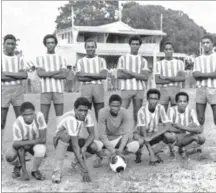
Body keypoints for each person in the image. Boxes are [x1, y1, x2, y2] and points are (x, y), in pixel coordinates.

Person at [52, 97, 99, 183]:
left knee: (95, 146)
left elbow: (92, 135)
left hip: (75, 138)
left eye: (85, 110)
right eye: (80, 110)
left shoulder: (87, 115)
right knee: (66, 136)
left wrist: (85, 146)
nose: (83, 113)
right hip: (60, 141)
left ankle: (76, 161)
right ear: (75, 109)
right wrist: (84, 169)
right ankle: (57, 171)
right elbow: (75, 145)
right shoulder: (70, 118)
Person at [93, 94, 140, 168]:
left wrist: (120, 149)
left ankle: (118, 155)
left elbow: (126, 133)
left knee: (135, 145)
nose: (115, 108)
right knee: (94, 146)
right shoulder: (102, 112)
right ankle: (101, 156)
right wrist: (112, 151)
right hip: (105, 139)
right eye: (113, 106)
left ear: (120, 106)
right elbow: (102, 135)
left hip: (118, 138)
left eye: (117, 106)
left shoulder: (124, 113)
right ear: (109, 105)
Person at [4, 102, 47, 181]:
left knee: (41, 150)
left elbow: (43, 139)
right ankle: (18, 165)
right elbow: (17, 145)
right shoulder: (17, 123)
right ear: (21, 115)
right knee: (9, 156)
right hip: (27, 144)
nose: (29, 117)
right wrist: (24, 172)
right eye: (26, 115)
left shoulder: (39, 116)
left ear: (34, 112)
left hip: (32, 144)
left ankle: (35, 170)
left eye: (31, 114)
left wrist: (26, 143)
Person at [1, 34, 29, 149]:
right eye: (8, 43)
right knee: (1, 120)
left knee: (20, 119)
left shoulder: (19, 59)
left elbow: (25, 75)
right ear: (4, 44)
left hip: (18, 90)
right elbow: (1, 77)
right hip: (4, 90)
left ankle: (21, 148)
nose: (10, 46)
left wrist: (7, 73)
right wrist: (17, 75)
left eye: (12, 44)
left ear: (15, 46)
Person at [133, 89, 174, 165]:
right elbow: (144, 135)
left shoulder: (160, 108)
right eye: (151, 98)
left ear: (158, 99)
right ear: (147, 99)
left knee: (171, 137)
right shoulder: (141, 111)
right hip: (140, 134)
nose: (153, 101)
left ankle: (154, 152)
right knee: (140, 141)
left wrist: (152, 137)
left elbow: (167, 126)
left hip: (152, 133)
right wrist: (151, 154)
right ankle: (139, 153)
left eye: (155, 99)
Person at [117, 35, 149, 127]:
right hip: (126, 88)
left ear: (139, 46)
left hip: (139, 89)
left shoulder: (143, 60)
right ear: (130, 45)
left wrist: (127, 72)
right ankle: (119, 132)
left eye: (137, 44)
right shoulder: (122, 59)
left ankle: (136, 132)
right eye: (133, 44)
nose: (135, 46)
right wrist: (137, 75)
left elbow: (145, 77)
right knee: (122, 111)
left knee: (137, 113)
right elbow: (119, 75)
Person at [36, 34, 67, 124]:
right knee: (44, 117)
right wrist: (57, 71)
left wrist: (47, 73)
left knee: (60, 117)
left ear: (55, 44)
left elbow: (64, 75)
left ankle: (58, 137)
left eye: (52, 42)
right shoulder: (40, 58)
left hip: (58, 90)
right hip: (45, 90)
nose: (50, 44)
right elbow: (40, 73)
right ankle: (43, 138)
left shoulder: (61, 58)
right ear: (45, 44)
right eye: (48, 43)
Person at [76, 39, 108, 121]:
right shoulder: (80, 61)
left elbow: (104, 75)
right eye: (88, 47)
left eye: (92, 47)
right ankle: (85, 133)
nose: (90, 49)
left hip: (98, 87)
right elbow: (80, 77)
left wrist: (86, 74)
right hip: (86, 87)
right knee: (84, 113)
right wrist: (97, 75)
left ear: (95, 47)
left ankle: (101, 133)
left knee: (100, 114)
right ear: (85, 48)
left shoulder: (101, 60)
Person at [167, 92, 205, 158]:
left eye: (184, 101)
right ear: (176, 102)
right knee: (170, 136)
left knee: (201, 138)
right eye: (180, 101)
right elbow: (169, 128)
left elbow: (199, 129)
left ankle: (183, 150)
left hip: (186, 137)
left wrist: (181, 127)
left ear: (187, 102)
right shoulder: (171, 110)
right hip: (176, 138)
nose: (182, 103)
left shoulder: (191, 111)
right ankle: (178, 150)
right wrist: (188, 129)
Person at [155, 41, 185, 112]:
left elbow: (182, 78)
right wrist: (175, 78)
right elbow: (157, 81)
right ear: (164, 51)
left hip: (175, 89)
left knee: (176, 113)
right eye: (166, 49)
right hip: (163, 90)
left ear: (173, 50)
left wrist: (166, 77)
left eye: (170, 49)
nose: (168, 51)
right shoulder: (159, 64)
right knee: (162, 114)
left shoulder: (179, 63)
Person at [193, 34, 216, 126]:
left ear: (212, 43)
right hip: (201, 89)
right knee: (200, 118)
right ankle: (199, 138)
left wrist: (201, 75)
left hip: (214, 88)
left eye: (207, 42)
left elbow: (199, 75)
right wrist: (212, 74)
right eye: (203, 43)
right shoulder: (198, 59)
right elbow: (195, 75)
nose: (205, 45)